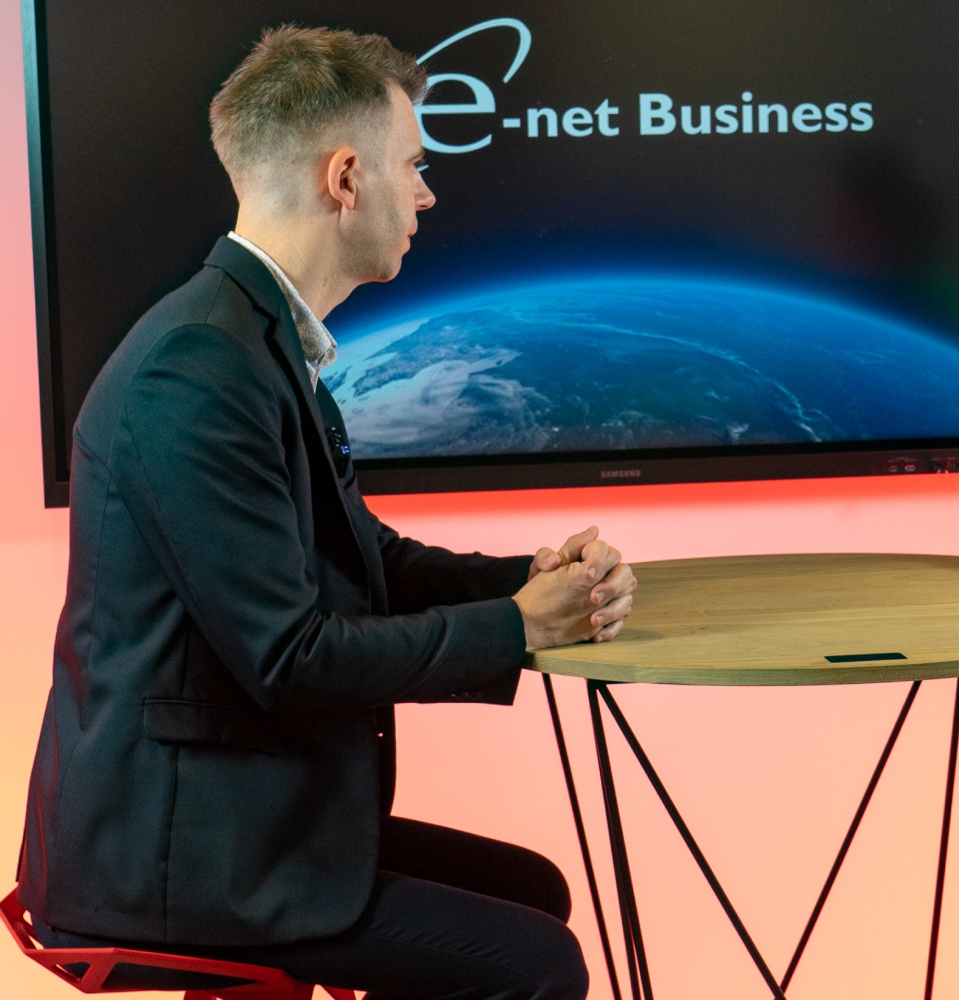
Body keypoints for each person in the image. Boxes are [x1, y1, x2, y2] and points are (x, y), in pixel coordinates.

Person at [17, 26, 635, 1000]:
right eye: (415, 164)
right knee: (536, 964)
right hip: (176, 853)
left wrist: (524, 579)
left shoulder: (252, 340)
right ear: (347, 176)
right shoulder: (201, 369)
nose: (427, 192)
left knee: (535, 891)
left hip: (236, 810)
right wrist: (518, 632)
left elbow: (364, 555)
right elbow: (289, 659)